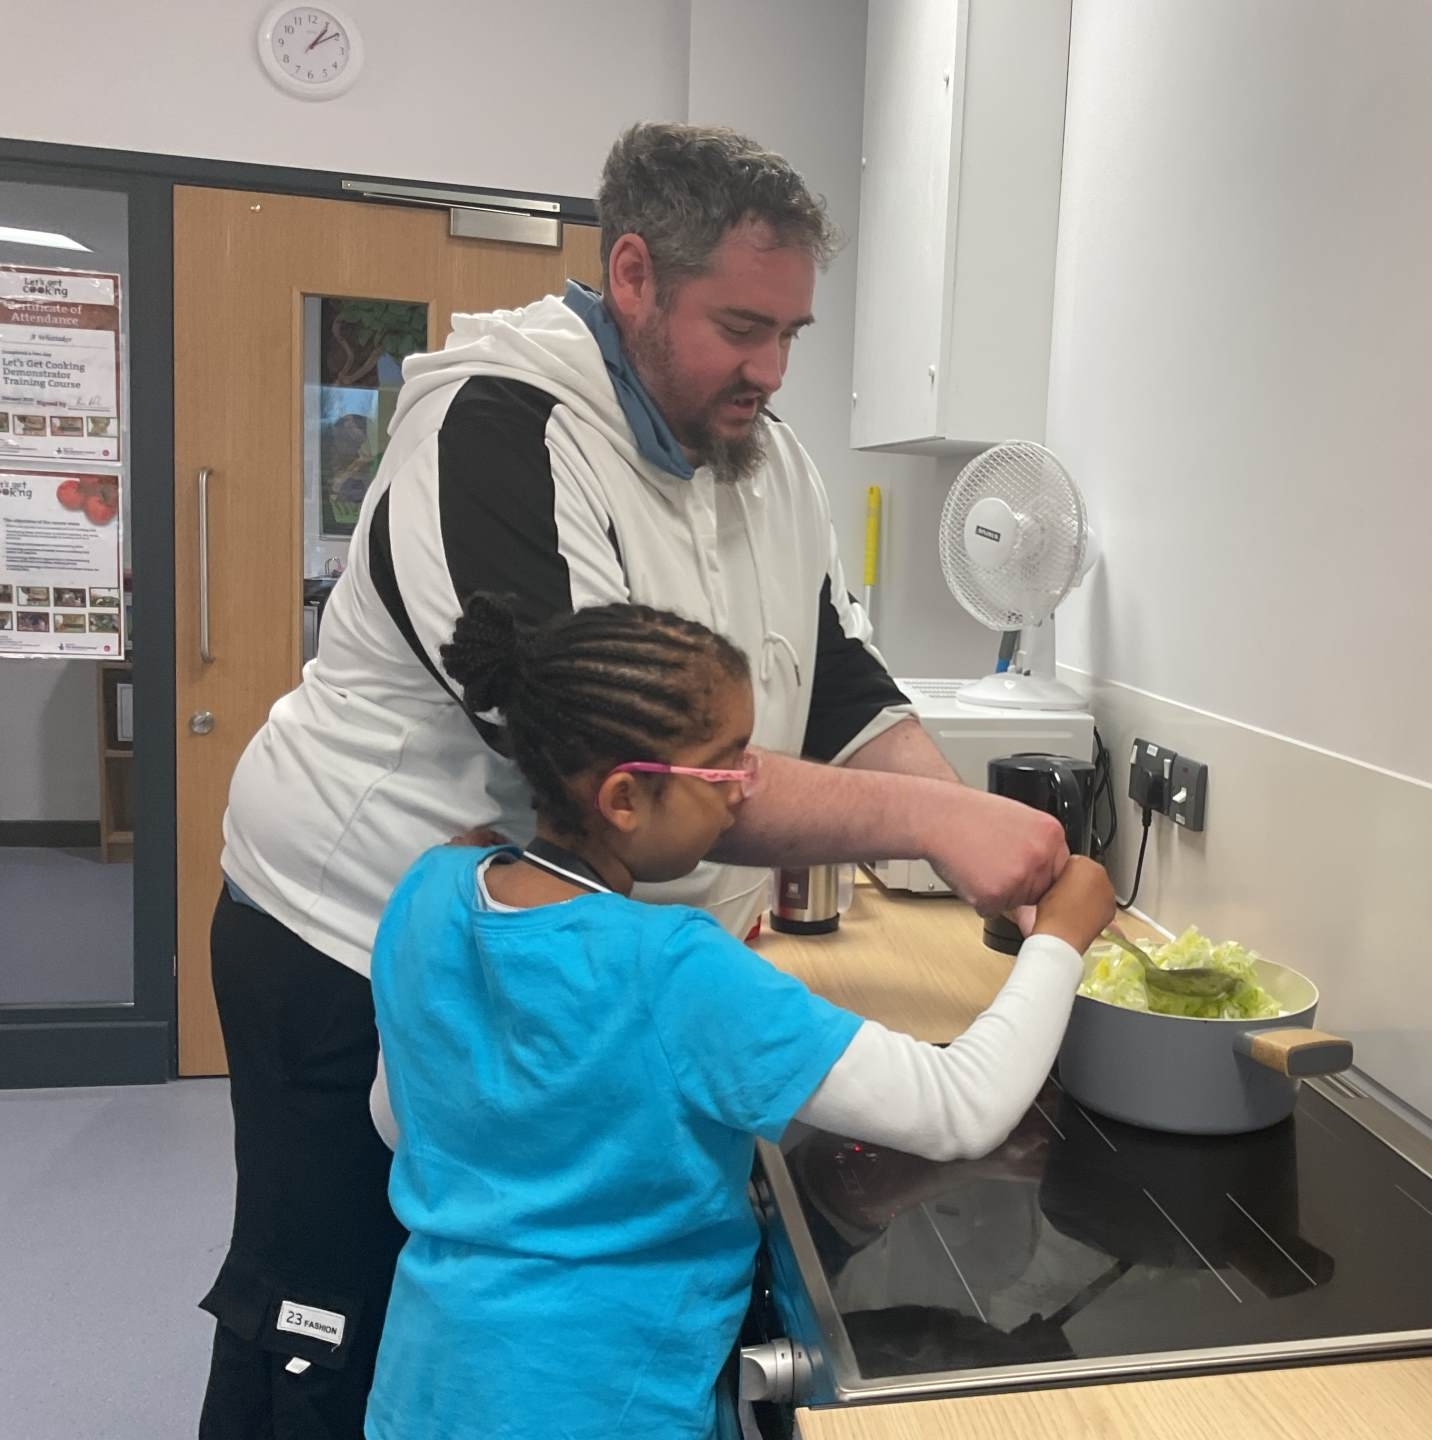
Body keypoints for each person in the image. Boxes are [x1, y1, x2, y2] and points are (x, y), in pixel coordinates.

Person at [199, 122, 1071, 1439]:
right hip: (359, 933)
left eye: (792, 332)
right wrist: (938, 821)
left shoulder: (762, 457)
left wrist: (971, 824)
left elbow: (837, 676)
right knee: (330, 1318)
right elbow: (627, 762)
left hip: (580, 947)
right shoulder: (498, 432)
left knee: (491, 1300)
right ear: (633, 276)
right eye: (740, 327)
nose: (771, 369)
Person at [365, 594, 1115, 1439]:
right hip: (613, 1407)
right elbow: (962, 1108)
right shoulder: (671, 967)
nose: (745, 794)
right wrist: (1060, 938)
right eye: (727, 770)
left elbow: (397, 1120)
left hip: (429, 1390)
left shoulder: (430, 889)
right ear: (623, 798)